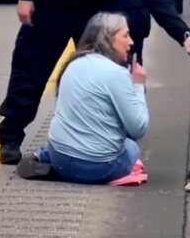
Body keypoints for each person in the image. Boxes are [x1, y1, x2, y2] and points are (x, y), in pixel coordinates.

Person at [0, 0, 190, 165]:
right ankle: (11, 137)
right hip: (52, 1)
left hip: (99, 9)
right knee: (30, 71)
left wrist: (184, 35)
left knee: (114, 73)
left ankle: (114, 138)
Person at [17, 12, 148, 184]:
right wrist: (138, 85)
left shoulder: (73, 63)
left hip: (60, 158)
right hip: (100, 167)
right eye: (125, 35)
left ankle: (44, 156)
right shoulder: (118, 74)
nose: (131, 42)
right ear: (108, 39)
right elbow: (138, 128)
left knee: (72, 135)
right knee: (131, 147)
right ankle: (82, 171)